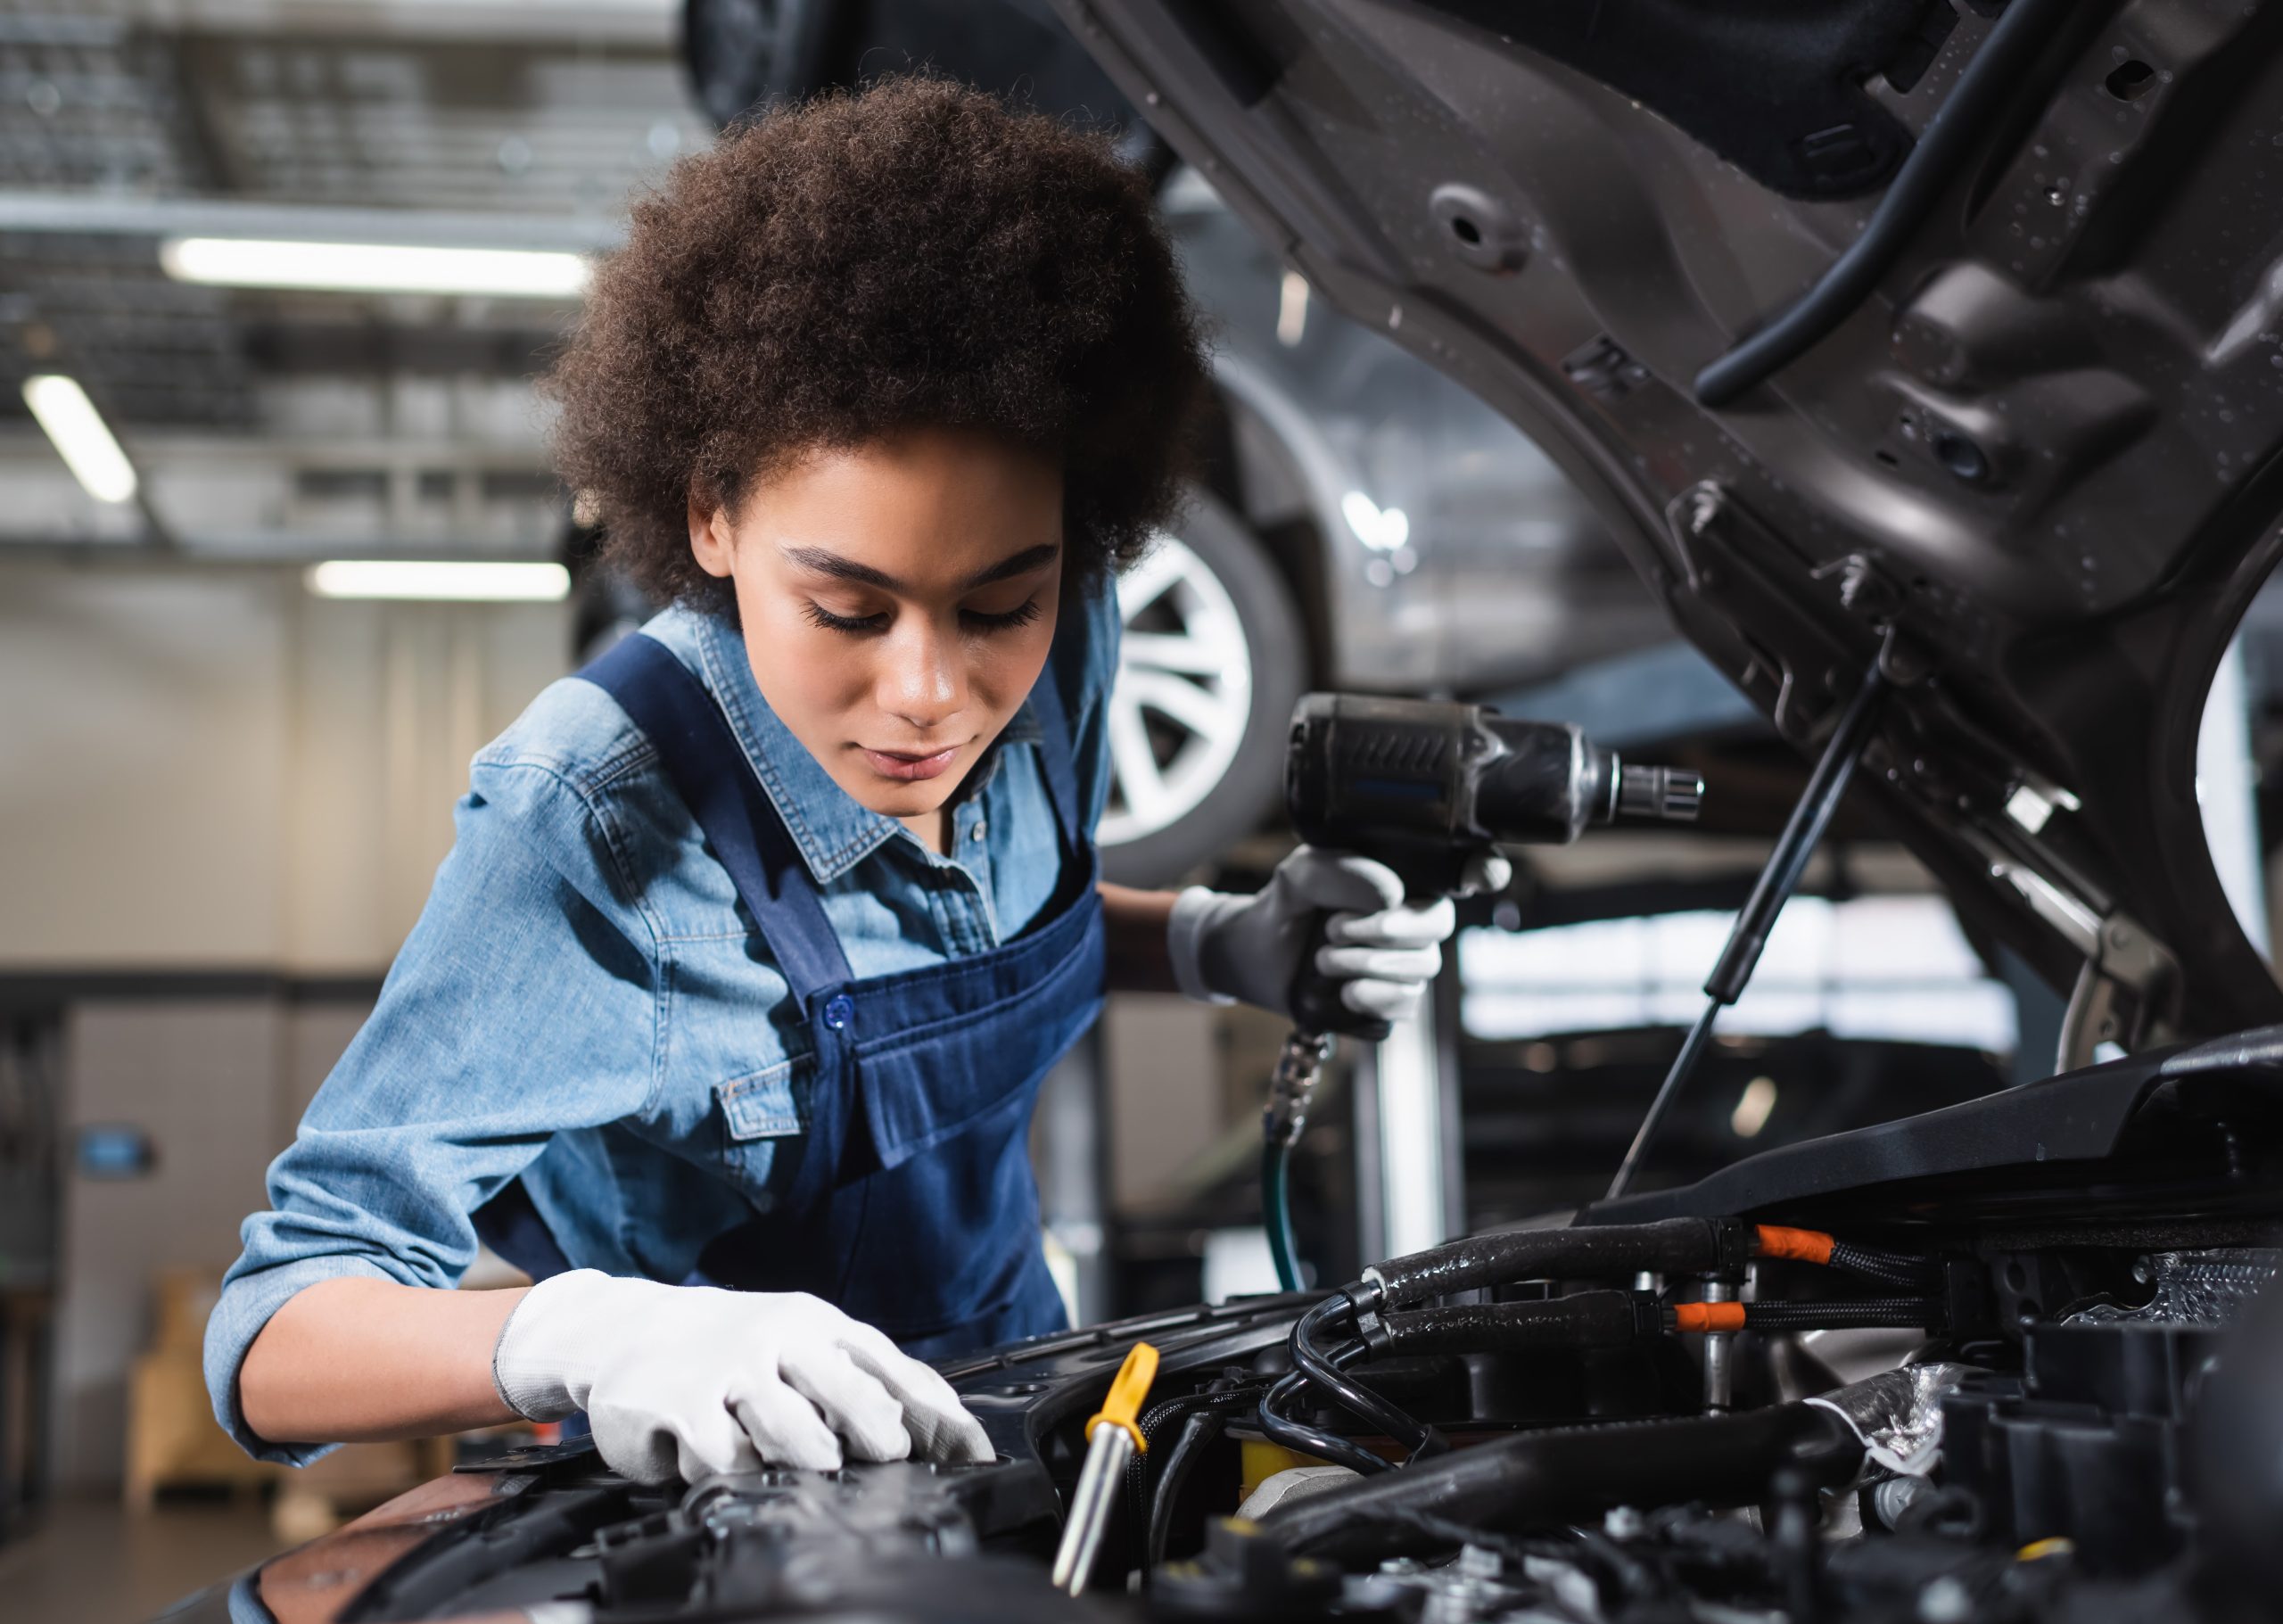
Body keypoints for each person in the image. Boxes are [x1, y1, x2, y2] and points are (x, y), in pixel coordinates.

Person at [206, 77, 1493, 1486]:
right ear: (711, 516)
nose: (933, 696)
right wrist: (577, 1333)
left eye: (1001, 602)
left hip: (1028, 1416)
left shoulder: (1068, 656)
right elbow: (271, 1337)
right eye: (850, 611)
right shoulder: (593, 823)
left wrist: (1216, 943)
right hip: (734, 1514)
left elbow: (983, 937)